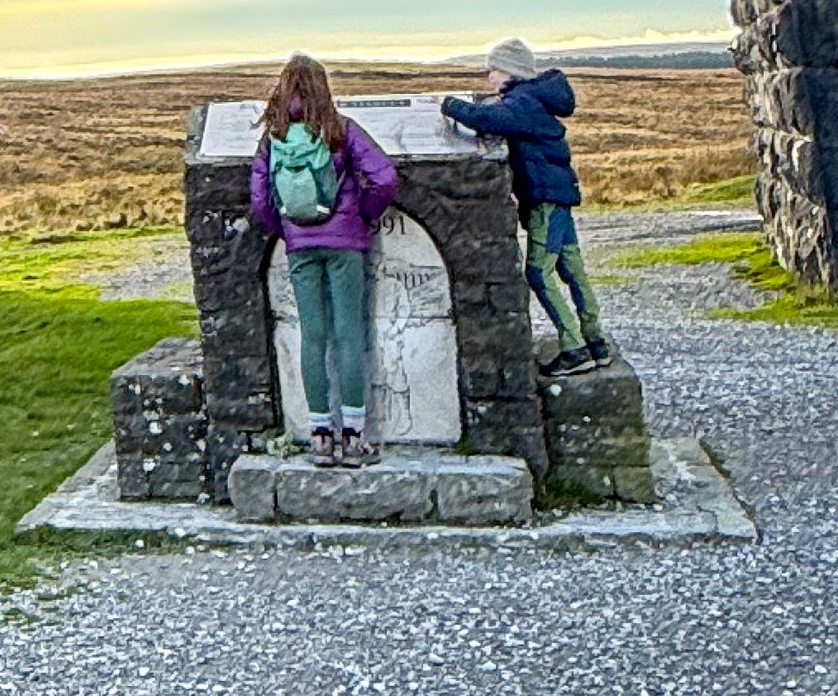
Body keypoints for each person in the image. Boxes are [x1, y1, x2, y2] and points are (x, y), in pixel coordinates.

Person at [249, 55, 401, 466]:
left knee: (312, 337)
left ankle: (319, 436)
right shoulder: (340, 130)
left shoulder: (274, 137)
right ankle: (352, 437)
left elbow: (260, 200)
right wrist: (362, 215)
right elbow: (385, 178)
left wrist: (286, 230)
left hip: (301, 246)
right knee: (349, 334)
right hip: (345, 245)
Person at [441, 38, 614, 373]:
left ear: (509, 69)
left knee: (539, 272)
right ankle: (596, 340)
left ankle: (575, 348)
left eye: (492, 69)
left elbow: (487, 120)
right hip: (558, 195)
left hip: (545, 199)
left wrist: (450, 105)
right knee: (572, 268)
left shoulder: (521, 101)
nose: (489, 77)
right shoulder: (534, 98)